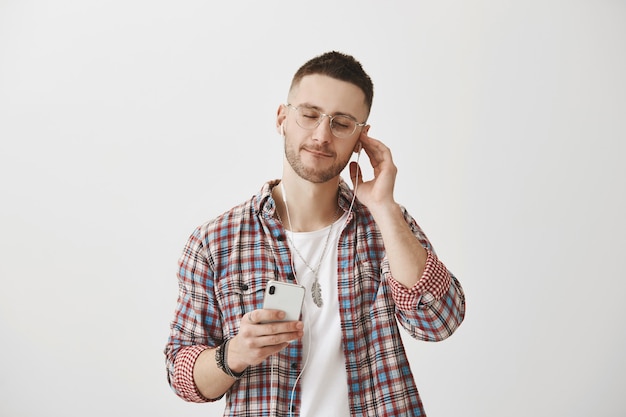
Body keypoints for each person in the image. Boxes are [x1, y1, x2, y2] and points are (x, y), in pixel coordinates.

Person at [164, 51, 466, 417]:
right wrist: (237, 353)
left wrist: (385, 207)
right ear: (283, 118)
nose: (322, 135)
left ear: (361, 137)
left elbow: (440, 321)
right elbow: (183, 378)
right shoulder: (216, 241)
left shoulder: (384, 224)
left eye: (341, 123)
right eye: (309, 115)